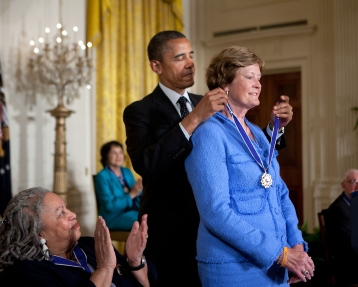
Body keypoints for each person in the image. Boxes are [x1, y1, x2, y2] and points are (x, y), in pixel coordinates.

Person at [123, 30, 293, 286]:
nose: (190, 63)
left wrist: (274, 130)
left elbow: (242, 145)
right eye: (179, 57)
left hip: (220, 236)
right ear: (156, 66)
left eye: (191, 55)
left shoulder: (206, 99)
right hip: (172, 231)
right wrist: (194, 119)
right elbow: (146, 165)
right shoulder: (140, 111)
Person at [184, 46, 313, 286]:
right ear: (225, 83)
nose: (258, 84)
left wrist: (296, 246)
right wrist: (282, 254)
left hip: (276, 267)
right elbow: (216, 212)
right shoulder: (209, 134)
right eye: (249, 76)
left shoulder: (257, 133)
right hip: (234, 268)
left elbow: (280, 194)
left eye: (259, 78)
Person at [0, 187, 156, 287]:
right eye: (61, 213)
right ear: (38, 233)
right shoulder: (28, 273)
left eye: (67, 208)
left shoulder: (91, 245)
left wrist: (135, 263)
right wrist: (105, 269)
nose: (73, 214)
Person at [325, 169, 358, 286]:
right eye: (354, 182)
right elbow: (348, 242)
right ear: (344, 185)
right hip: (348, 265)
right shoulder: (338, 209)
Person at [94, 140, 142, 231]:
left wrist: (142, 187)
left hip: (134, 211)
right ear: (106, 156)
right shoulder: (102, 176)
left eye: (120, 152)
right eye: (114, 153)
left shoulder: (126, 171)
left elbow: (137, 194)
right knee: (144, 222)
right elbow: (109, 206)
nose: (119, 156)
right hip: (114, 217)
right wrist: (132, 194)